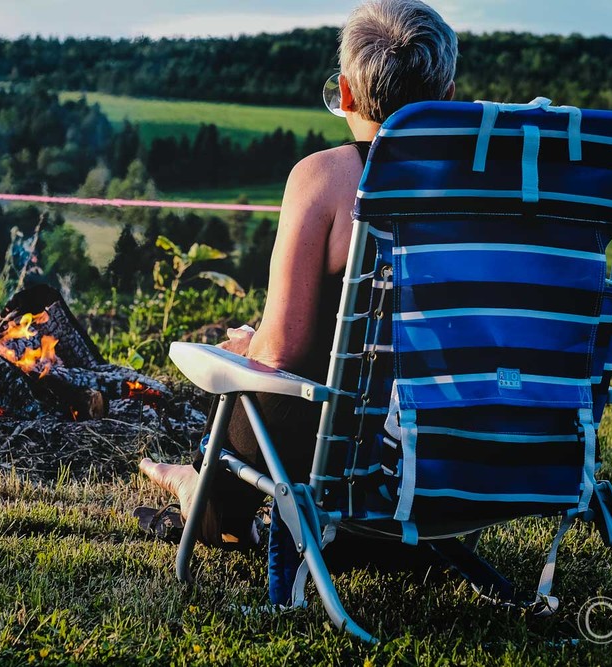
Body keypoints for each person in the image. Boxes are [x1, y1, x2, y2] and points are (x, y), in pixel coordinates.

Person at [140, 0, 459, 547]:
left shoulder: (328, 178)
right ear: (447, 96)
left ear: (347, 93)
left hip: (354, 448)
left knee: (258, 377)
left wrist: (248, 347)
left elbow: (283, 352)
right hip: (467, 443)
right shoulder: (487, 187)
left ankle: (205, 497)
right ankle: (196, 481)